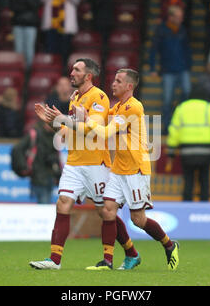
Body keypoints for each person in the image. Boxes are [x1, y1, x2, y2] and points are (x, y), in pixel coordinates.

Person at [29, 59, 141, 270]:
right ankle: (54, 260)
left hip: (95, 164)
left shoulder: (98, 97)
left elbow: (92, 129)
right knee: (63, 203)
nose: (72, 72)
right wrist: (51, 121)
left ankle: (130, 253)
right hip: (74, 162)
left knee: (105, 212)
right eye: (72, 69)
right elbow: (65, 133)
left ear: (88, 76)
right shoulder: (75, 99)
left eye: (77, 70)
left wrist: (62, 118)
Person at [70, 69, 179, 271]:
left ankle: (169, 244)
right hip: (119, 169)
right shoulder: (117, 107)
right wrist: (78, 103)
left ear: (129, 86)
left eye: (118, 81)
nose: (113, 83)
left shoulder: (133, 108)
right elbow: (100, 117)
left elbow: (104, 132)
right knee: (107, 210)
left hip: (135, 170)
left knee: (138, 220)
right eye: (114, 79)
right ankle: (107, 261)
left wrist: (86, 119)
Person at [167, 83, 210, 202]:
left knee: (188, 180)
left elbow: (174, 130)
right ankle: (204, 207)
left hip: (186, 151)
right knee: (204, 180)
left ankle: (186, 207)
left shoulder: (181, 107)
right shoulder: (209, 108)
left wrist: (171, 152)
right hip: (205, 151)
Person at [149, 5, 192, 132]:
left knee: (187, 91)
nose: (181, 19)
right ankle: (167, 126)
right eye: (178, 17)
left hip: (182, 68)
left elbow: (187, 49)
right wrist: (152, 67)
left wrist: (189, 64)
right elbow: (153, 49)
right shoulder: (161, 30)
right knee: (167, 99)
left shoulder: (182, 30)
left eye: (181, 17)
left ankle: (178, 116)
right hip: (167, 70)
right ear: (171, 17)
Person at [40, 0, 81, 70]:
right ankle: (51, 72)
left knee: (65, 53)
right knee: (51, 54)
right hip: (51, 28)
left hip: (65, 29)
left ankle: (64, 73)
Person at [10, 0, 41, 69]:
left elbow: (34, 5)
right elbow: (13, 7)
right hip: (18, 23)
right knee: (18, 48)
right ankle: (19, 67)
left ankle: (29, 69)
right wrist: (23, 1)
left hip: (30, 24)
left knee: (29, 48)